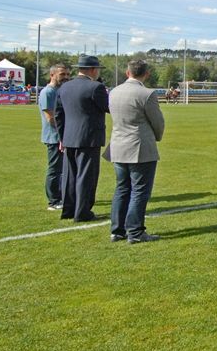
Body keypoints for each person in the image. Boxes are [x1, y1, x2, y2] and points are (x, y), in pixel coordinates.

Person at [106, 58, 165, 244]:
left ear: (127, 72)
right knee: (139, 191)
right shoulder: (146, 94)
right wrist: (156, 136)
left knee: (122, 188)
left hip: (118, 146)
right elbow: (158, 122)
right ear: (146, 74)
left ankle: (117, 230)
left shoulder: (114, 92)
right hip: (139, 147)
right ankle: (136, 231)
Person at [55, 55, 110, 222]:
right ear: (93, 70)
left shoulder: (64, 87)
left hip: (69, 137)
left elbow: (58, 115)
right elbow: (107, 107)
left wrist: (62, 137)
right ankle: (83, 212)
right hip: (89, 137)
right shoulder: (95, 87)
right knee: (86, 176)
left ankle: (69, 210)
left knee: (70, 175)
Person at [38, 63, 70, 210]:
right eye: (62, 74)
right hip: (54, 138)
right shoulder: (48, 92)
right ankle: (53, 200)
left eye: (67, 74)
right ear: (52, 75)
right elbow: (51, 118)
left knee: (63, 170)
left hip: (62, 137)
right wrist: (62, 135)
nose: (66, 77)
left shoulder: (59, 91)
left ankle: (62, 197)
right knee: (55, 169)